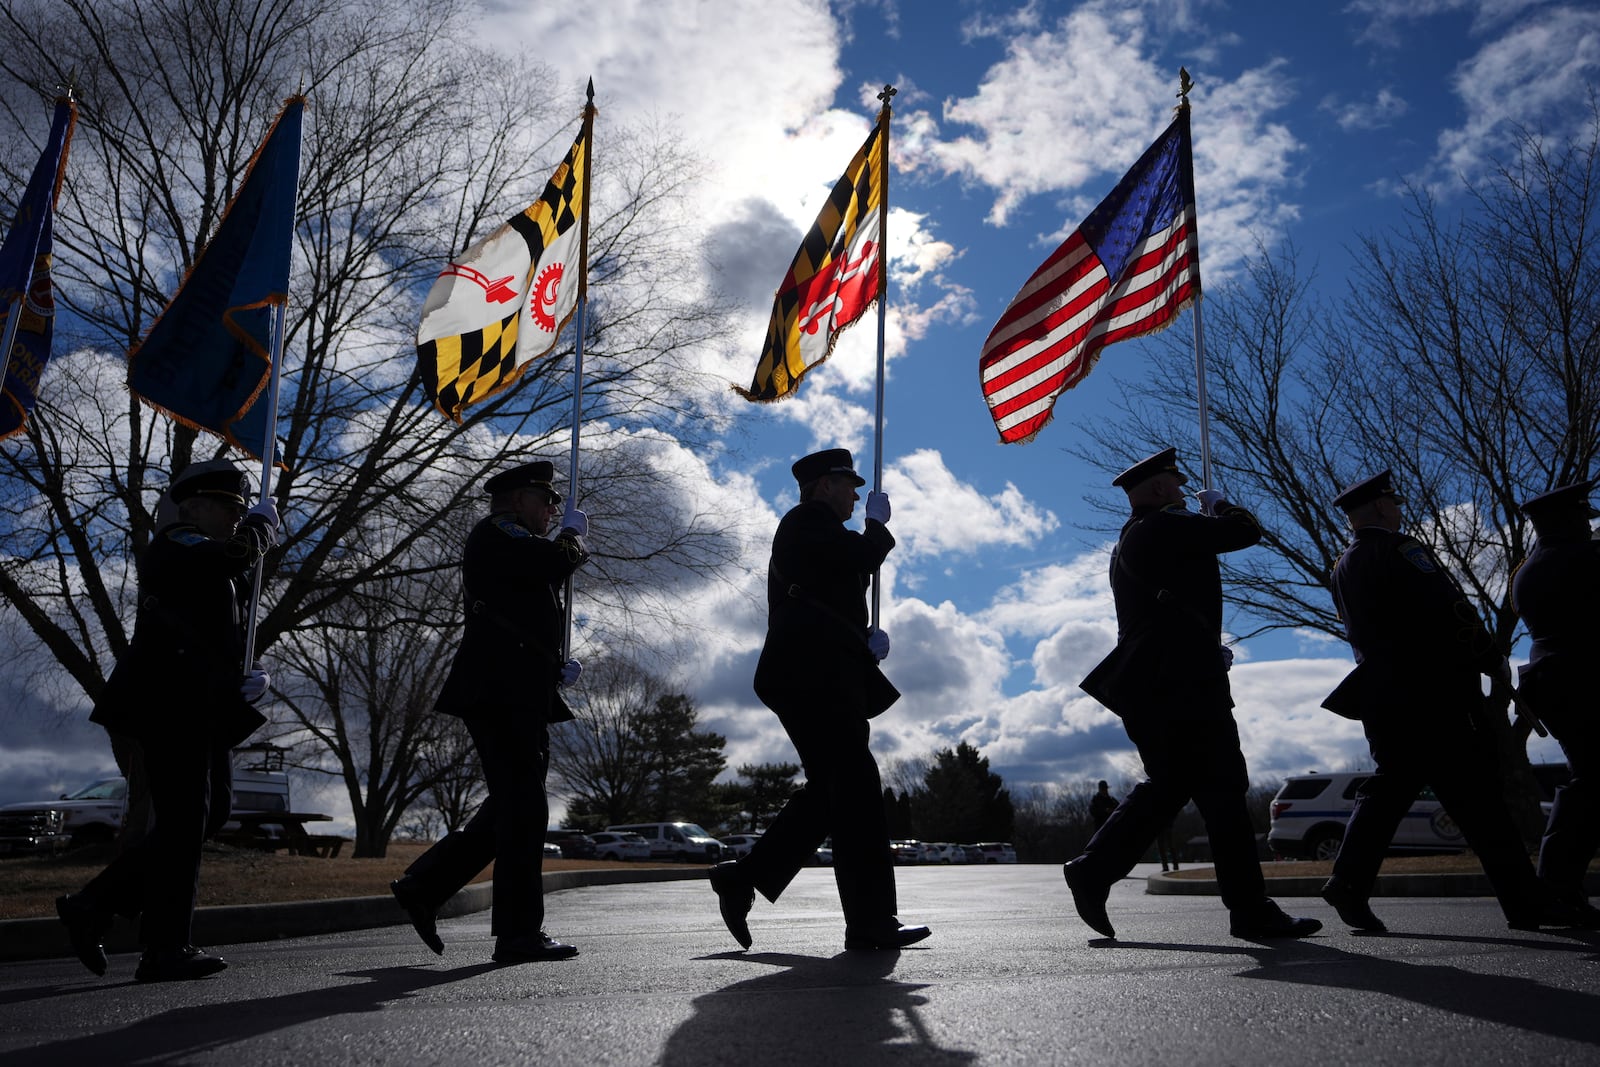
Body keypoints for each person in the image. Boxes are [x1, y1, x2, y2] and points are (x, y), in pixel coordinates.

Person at [1068, 447, 1320, 940]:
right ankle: (1248, 910)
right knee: (1221, 788)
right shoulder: (1164, 526)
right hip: (1180, 686)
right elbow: (1247, 532)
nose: (1183, 492)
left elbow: (1171, 610)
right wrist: (1222, 507)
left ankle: (1096, 869)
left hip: (1163, 680)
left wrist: (1202, 646)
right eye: (1177, 485)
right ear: (1161, 488)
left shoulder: (1135, 536)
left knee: (1180, 786)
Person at [1318, 470, 1584, 932]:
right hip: (1433, 693)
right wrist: (1490, 657)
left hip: (1382, 694)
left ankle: (1348, 882)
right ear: (1382, 507)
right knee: (1479, 801)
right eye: (1394, 502)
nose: (1399, 509)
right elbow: (1453, 610)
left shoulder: (1345, 563)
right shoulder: (1404, 551)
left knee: (1399, 791)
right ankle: (1526, 904)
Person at [56, 460, 279, 982]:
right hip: (166, 702)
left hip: (201, 702)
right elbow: (233, 555)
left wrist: (254, 673)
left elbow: (228, 632)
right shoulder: (176, 543)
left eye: (239, 509)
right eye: (227, 507)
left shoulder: (217, 567)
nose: (234, 516)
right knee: (183, 820)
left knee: (211, 811)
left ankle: (96, 904)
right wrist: (261, 527)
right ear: (193, 506)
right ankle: (164, 947)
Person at [707, 448, 929, 951]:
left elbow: (833, 592)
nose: (856, 493)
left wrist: (865, 639)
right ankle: (871, 921)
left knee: (835, 791)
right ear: (821, 486)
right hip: (811, 675)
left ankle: (743, 878)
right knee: (856, 786)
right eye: (847, 484)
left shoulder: (818, 531)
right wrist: (876, 529)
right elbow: (854, 557)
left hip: (820, 671)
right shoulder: (804, 520)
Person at [390, 459, 588, 964]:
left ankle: (425, 886)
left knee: (511, 805)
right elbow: (549, 565)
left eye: (554, 505)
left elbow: (525, 609)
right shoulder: (497, 532)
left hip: (518, 686)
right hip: (500, 690)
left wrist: (552, 669)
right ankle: (519, 934)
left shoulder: (508, 538)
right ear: (517, 500)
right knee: (525, 810)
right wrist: (570, 539)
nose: (550, 509)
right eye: (544, 501)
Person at [1511, 479, 1600, 925]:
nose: (1589, 524)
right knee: (1591, 783)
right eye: (1583, 516)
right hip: (1584, 680)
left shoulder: (1527, 569)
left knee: (1589, 780)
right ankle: (1558, 888)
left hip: (1553, 682)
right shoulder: (1585, 559)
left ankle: (1558, 887)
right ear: (1568, 519)